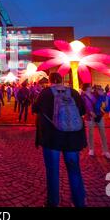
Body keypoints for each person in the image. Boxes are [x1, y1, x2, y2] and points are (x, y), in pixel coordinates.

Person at [33, 72, 87, 207]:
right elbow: (82, 111)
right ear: (62, 80)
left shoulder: (45, 93)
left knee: (52, 170)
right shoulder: (73, 92)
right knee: (74, 169)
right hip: (72, 138)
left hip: (52, 139)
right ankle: (79, 202)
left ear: (50, 81)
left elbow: (35, 109)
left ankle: (53, 202)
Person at [81, 84, 110, 159]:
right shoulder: (82, 96)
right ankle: (91, 149)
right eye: (90, 87)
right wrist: (90, 112)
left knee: (103, 133)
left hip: (99, 115)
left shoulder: (95, 94)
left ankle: (106, 151)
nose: (91, 88)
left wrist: (102, 94)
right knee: (90, 133)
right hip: (89, 117)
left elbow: (103, 100)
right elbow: (84, 106)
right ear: (86, 88)